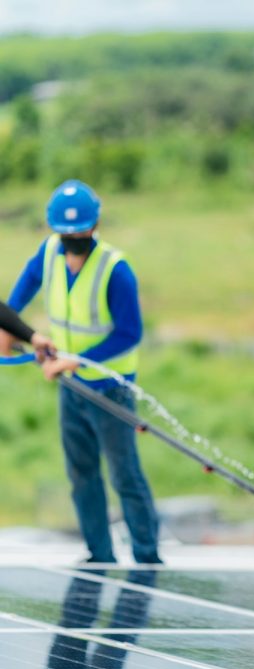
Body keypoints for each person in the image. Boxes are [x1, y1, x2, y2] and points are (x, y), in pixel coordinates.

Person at [0, 179, 161, 565]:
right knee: (82, 472)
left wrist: (76, 360)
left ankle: (147, 558)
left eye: (80, 231)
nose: (72, 238)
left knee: (125, 475)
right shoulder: (49, 253)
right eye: (66, 232)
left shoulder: (115, 270)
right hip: (71, 387)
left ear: (95, 225)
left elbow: (130, 332)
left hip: (110, 388)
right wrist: (9, 331)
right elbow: (18, 297)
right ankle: (99, 554)